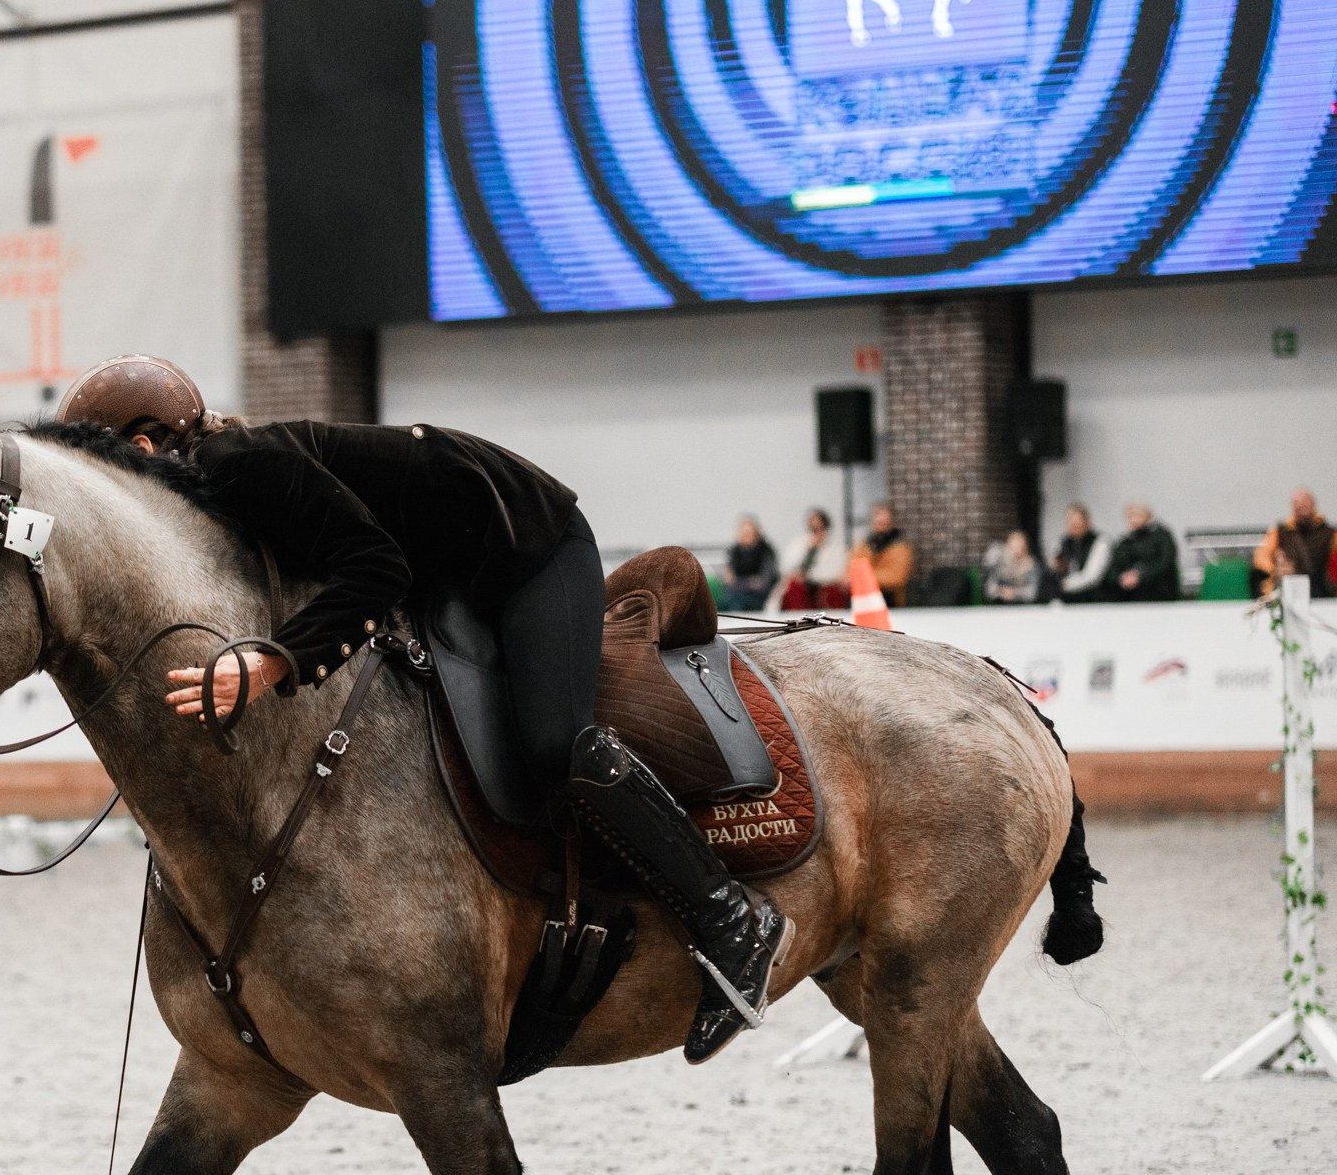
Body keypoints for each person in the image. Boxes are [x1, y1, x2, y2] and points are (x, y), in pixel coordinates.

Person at [56, 353, 790, 1063]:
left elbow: (376, 570)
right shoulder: (218, 482)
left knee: (552, 742)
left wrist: (270, 662)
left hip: (532, 546)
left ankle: (729, 915)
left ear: (148, 446)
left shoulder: (238, 467)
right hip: (451, 576)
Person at [1252, 489, 1336, 598]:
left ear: (1313, 504)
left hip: (1319, 587)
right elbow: (1261, 557)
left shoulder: (1328, 532)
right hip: (1288, 584)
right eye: (1297, 503)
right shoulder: (1280, 531)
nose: (1301, 506)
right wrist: (1275, 570)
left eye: (1305, 502)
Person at [769, 507, 851, 612]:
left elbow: (837, 573)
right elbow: (786, 568)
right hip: (803, 588)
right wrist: (808, 552)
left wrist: (811, 577)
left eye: (819, 528)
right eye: (813, 528)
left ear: (826, 528)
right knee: (794, 587)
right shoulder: (799, 544)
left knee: (833, 592)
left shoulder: (837, 547)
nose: (816, 533)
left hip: (825, 587)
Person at [1101, 503, 1180, 602]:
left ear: (1148, 516)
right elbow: (1113, 568)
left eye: (1137, 515)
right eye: (1130, 516)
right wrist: (1121, 578)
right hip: (1128, 592)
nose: (1133, 520)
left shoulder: (1162, 536)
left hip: (1157, 589)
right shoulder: (1125, 542)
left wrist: (1140, 576)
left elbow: (1165, 563)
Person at [852, 502, 914, 607]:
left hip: (889, 599)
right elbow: (852, 566)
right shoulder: (865, 545)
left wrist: (864, 576)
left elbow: (896, 578)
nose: (880, 521)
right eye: (877, 517)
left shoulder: (900, 547)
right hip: (864, 598)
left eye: (884, 520)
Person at [1051, 504, 1110, 603]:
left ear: (1087, 522)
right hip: (1066, 598)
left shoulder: (1100, 542)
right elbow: (1055, 567)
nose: (1073, 525)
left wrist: (1067, 584)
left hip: (1092, 598)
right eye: (1070, 522)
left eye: (1077, 522)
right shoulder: (1063, 543)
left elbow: (1092, 576)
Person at [718, 516, 778, 612]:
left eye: (749, 533)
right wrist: (750, 581)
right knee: (729, 599)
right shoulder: (734, 551)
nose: (745, 536)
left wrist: (738, 582)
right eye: (743, 533)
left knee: (736, 602)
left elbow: (764, 582)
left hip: (758, 597)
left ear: (756, 534)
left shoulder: (765, 551)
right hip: (735, 594)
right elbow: (728, 579)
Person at [982, 531, 1043, 604]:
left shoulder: (1031, 565)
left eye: (1019, 547)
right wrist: (1001, 591)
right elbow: (990, 590)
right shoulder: (1000, 564)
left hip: (1023, 607)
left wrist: (1014, 593)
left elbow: (1032, 593)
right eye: (1013, 547)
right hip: (1000, 607)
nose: (1016, 550)